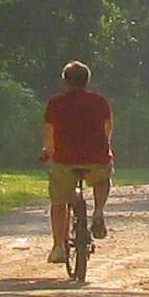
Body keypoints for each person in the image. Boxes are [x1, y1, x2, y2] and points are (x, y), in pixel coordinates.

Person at [42, 59, 114, 264]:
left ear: (65, 81)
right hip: (96, 158)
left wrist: (48, 151)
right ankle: (98, 211)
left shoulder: (55, 103)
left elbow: (49, 132)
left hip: (64, 160)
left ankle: (58, 247)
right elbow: (107, 129)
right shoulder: (100, 101)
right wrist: (105, 147)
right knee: (102, 177)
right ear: (87, 81)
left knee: (58, 201)